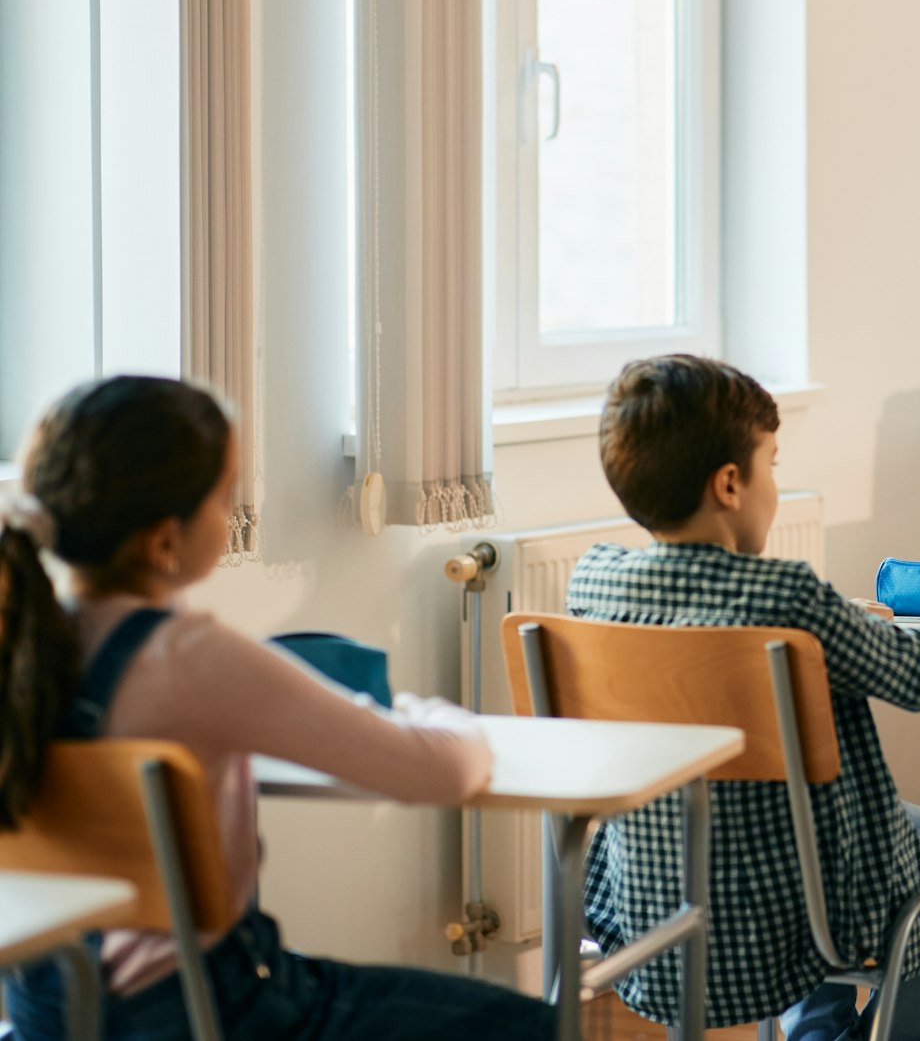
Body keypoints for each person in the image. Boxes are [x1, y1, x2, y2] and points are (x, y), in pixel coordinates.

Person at [570, 354, 920, 1041]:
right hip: (799, 907)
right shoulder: (788, 598)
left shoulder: (596, 582)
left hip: (650, 893)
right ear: (730, 483)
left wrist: (840, 623)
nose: (774, 482)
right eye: (772, 463)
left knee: (815, 840)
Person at [0, 376, 554, 1041]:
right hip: (209, 1013)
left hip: (45, 1015)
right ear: (163, 539)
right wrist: (439, 712)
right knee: (540, 1027)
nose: (231, 511)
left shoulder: (21, 643)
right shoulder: (191, 656)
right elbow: (445, 771)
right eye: (226, 495)